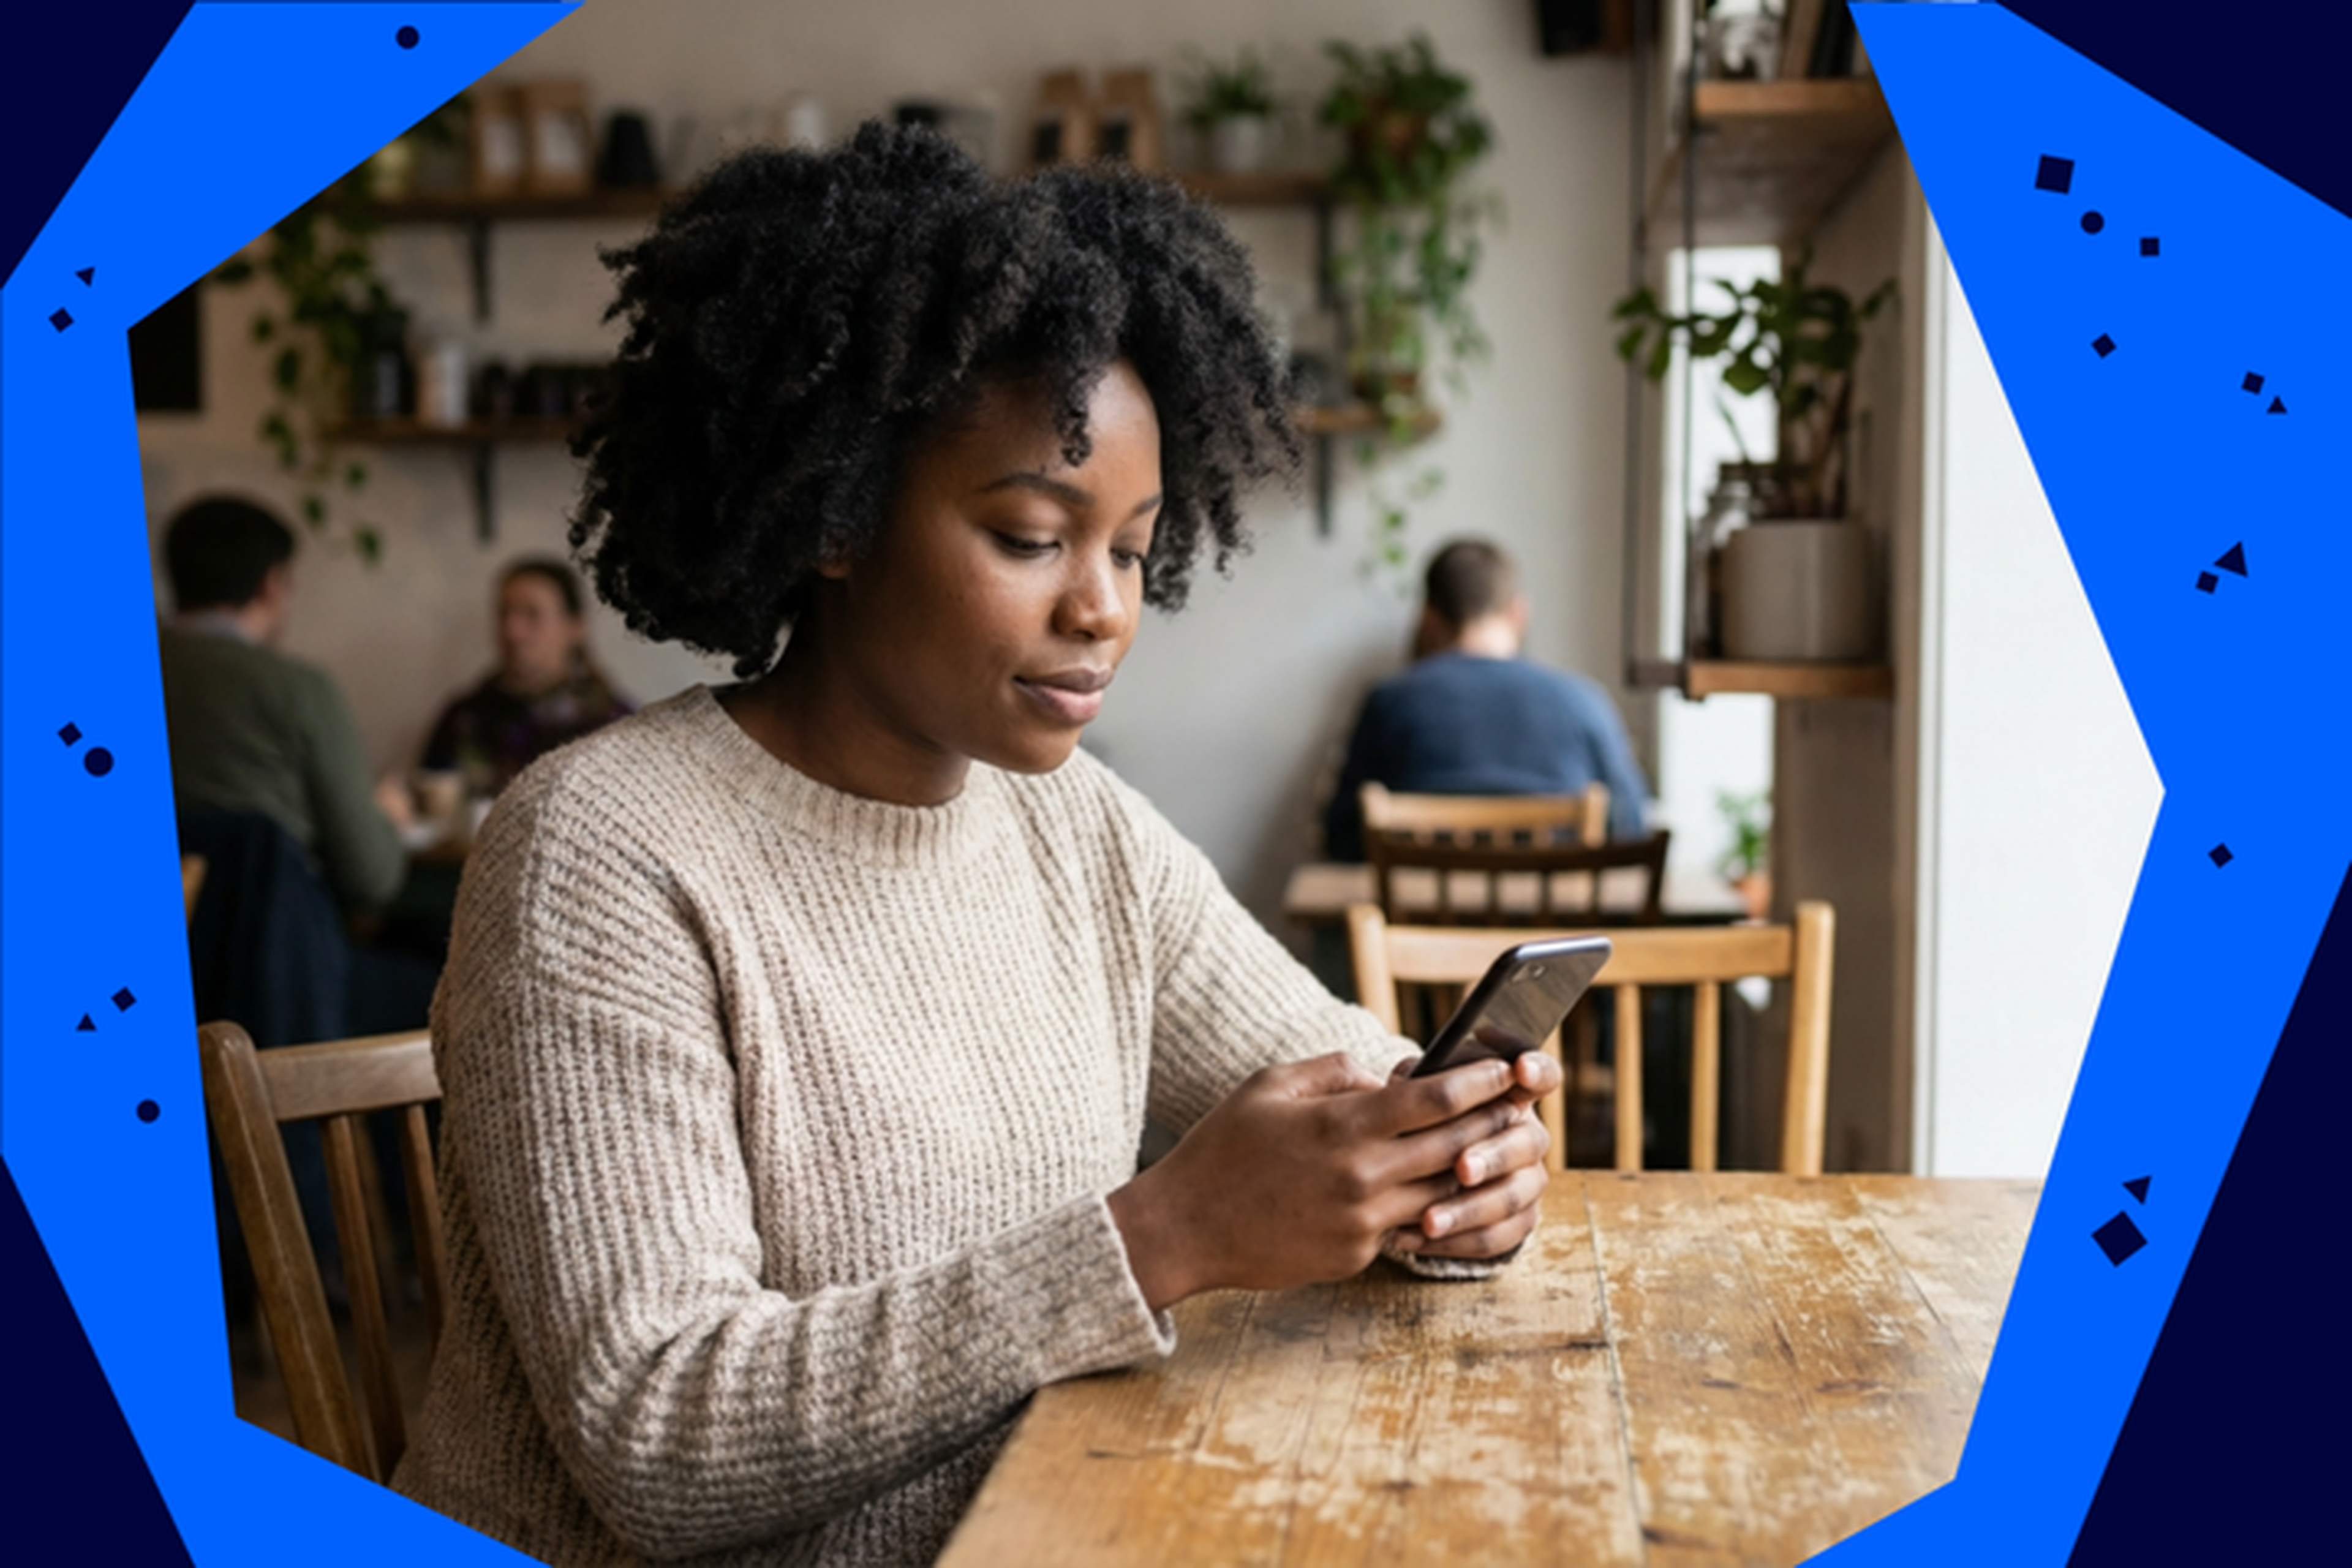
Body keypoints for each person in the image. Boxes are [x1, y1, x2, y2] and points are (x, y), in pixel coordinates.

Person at [391, 124, 1560, 1566]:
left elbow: (1336, 1067)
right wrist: (1160, 1236)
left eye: (1130, 548)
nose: (1105, 608)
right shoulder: (598, 851)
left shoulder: (1075, 823)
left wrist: (1450, 1160)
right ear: (835, 515)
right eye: (1028, 535)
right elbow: (661, 1432)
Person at [1321, 538, 1654, 861]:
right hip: (1559, 917)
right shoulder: (1584, 703)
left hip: (1420, 918)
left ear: (1428, 617)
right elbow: (1630, 829)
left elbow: (1343, 837)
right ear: (1518, 612)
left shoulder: (1390, 702)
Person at [158, 496, 409, 916]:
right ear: (272, 583)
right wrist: (386, 818)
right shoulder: (298, 690)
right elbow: (373, 876)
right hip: (277, 957)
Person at [418, 556, 635, 801]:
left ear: (575, 627)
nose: (513, 631)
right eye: (505, 613)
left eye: (532, 615)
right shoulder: (465, 718)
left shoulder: (612, 725)